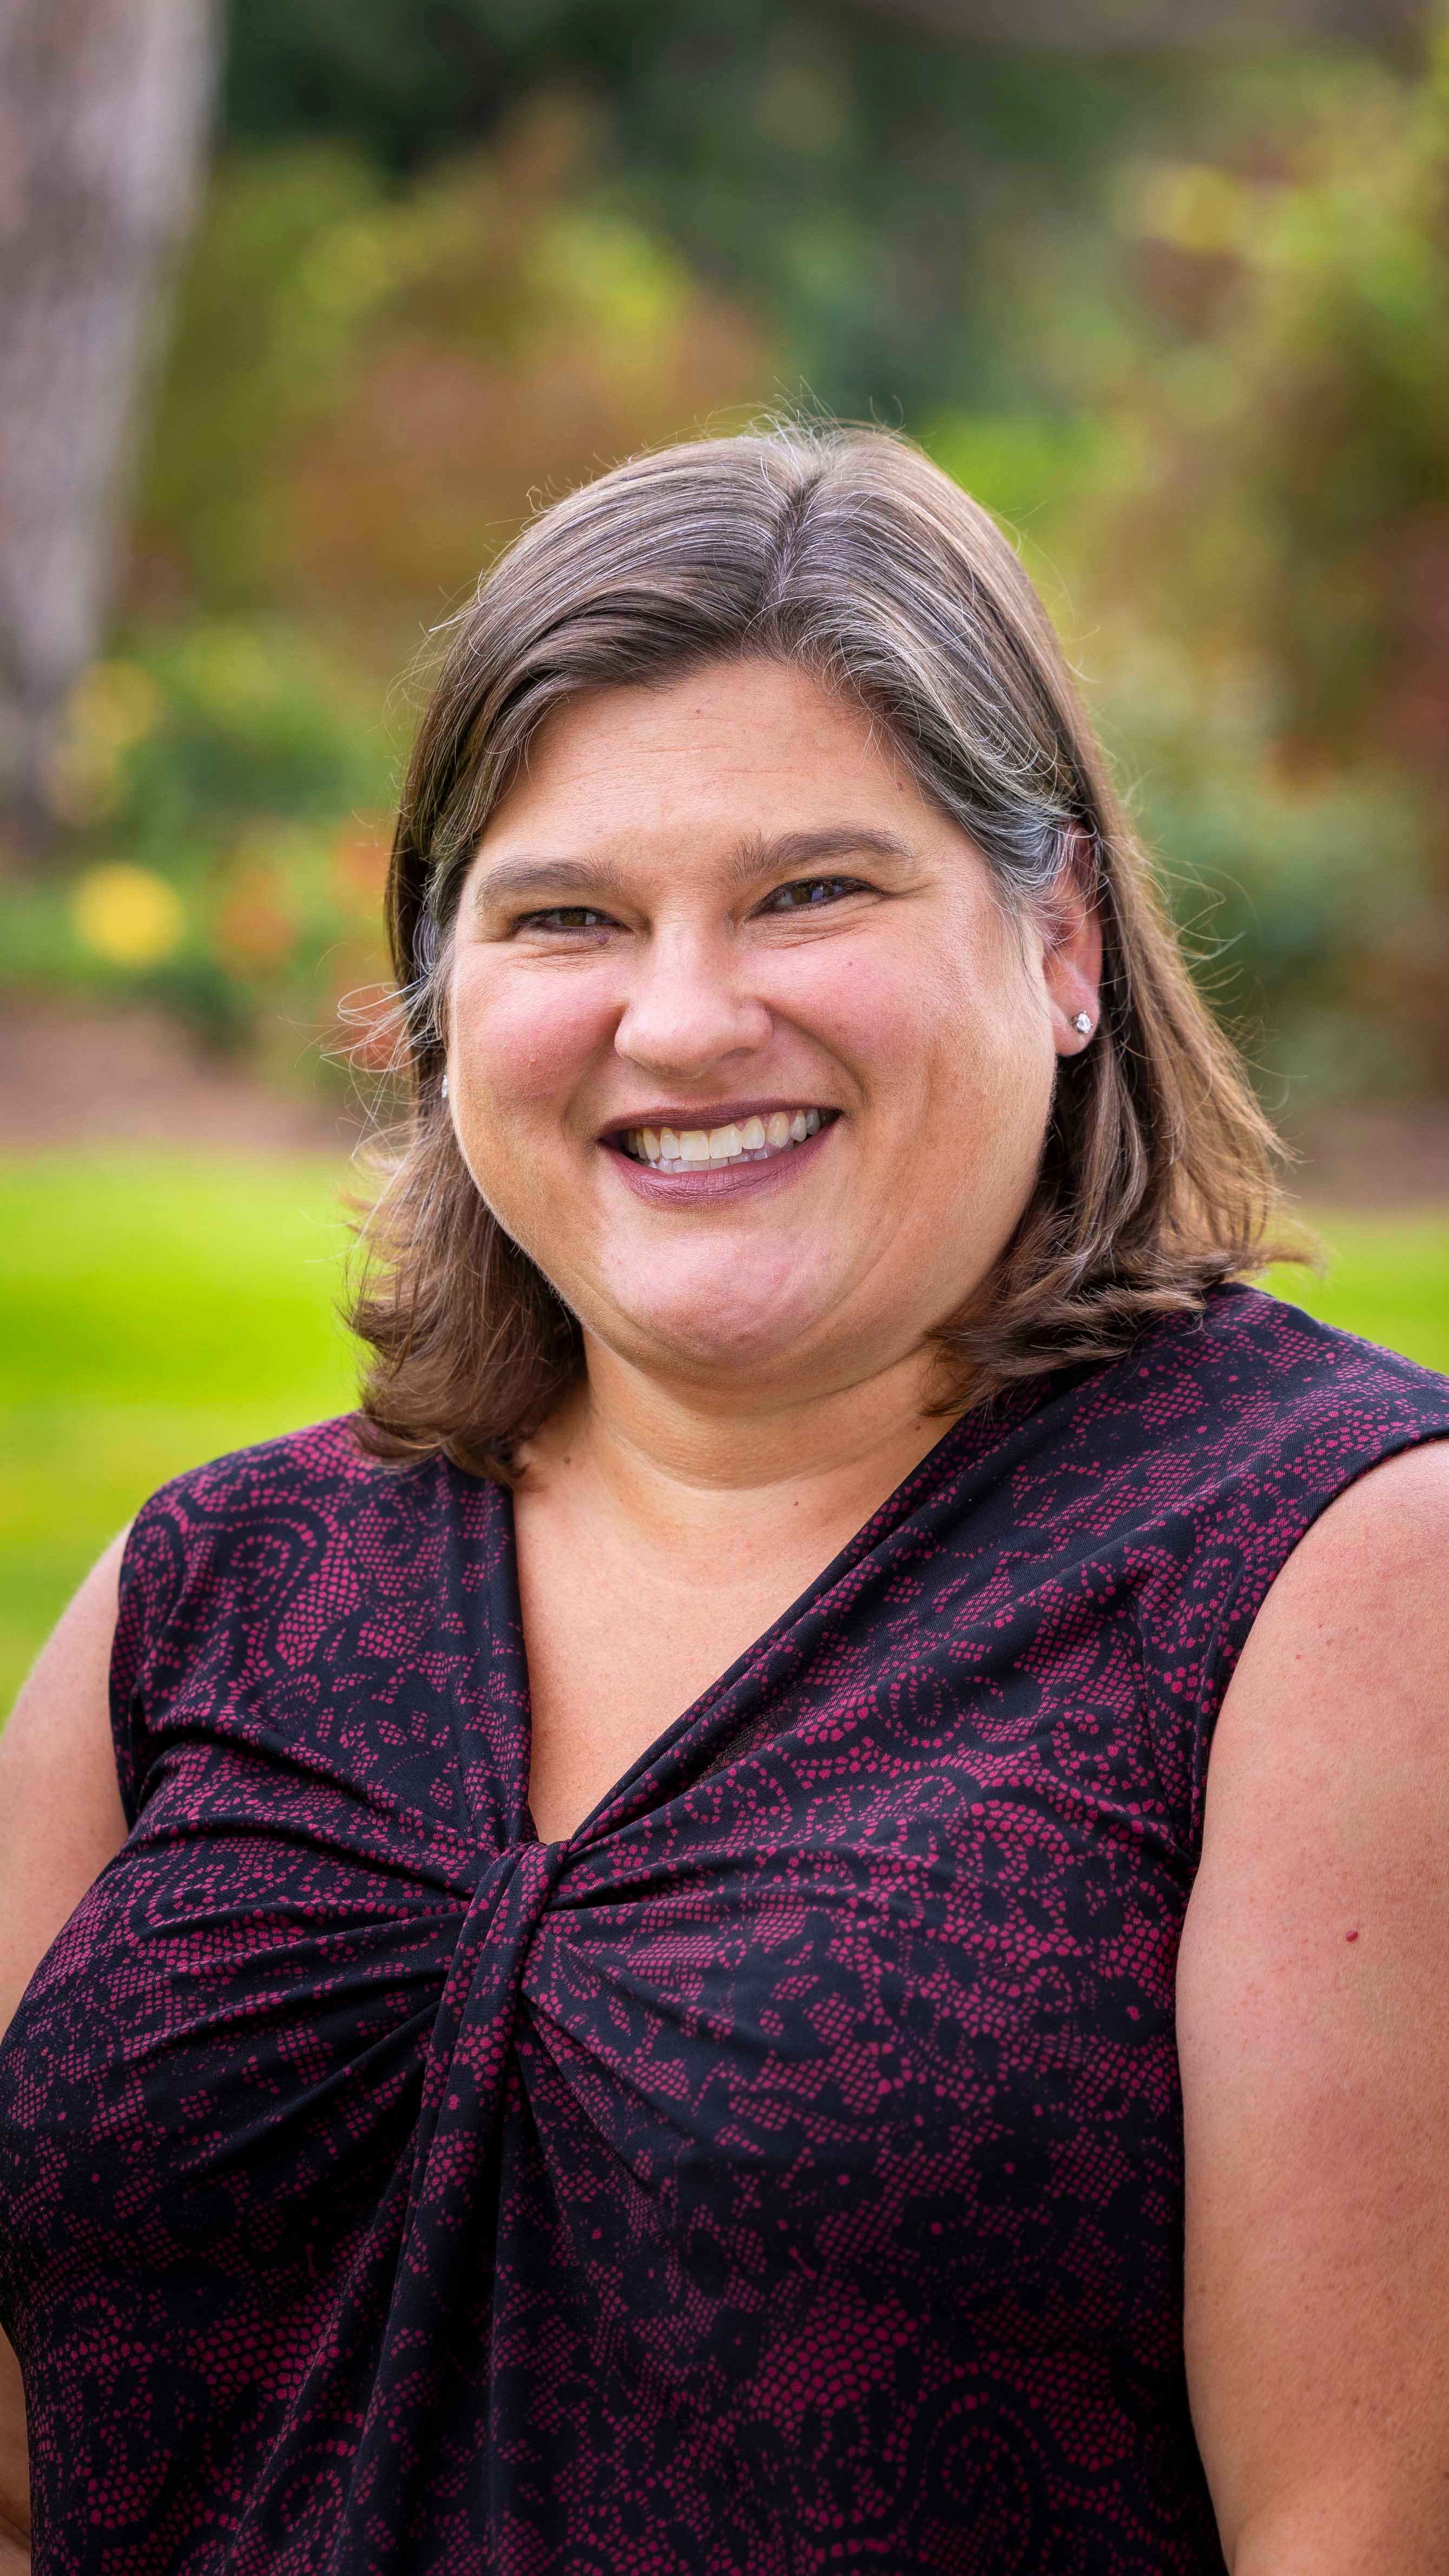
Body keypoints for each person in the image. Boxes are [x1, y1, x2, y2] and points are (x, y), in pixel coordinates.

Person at [1, 424, 1447, 2576]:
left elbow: (1359, 2528)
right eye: (567, 916)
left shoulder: (1338, 1570)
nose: (680, 1020)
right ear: (444, 997)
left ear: (1062, 937)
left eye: (811, 892)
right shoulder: (209, 1591)